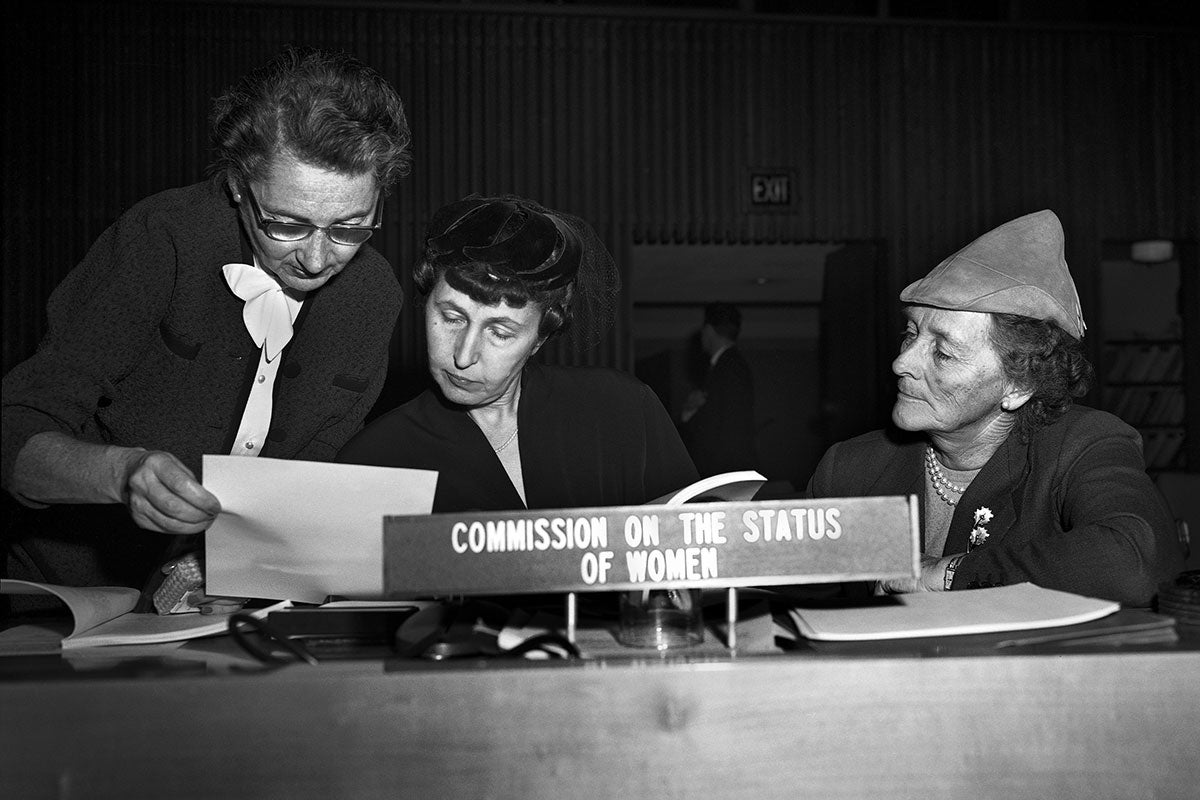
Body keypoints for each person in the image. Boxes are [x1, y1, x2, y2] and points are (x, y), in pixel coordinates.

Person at [1, 46, 412, 591]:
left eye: (350, 227)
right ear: (239, 185)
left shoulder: (373, 294)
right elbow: (15, 429)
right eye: (287, 225)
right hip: (62, 594)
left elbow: (315, 468)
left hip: (226, 598)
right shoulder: (162, 239)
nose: (317, 260)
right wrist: (121, 474)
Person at [803, 209, 1182, 606]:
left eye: (943, 352)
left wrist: (945, 574)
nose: (902, 363)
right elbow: (774, 579)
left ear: (1019, 384)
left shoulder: (1083, 445)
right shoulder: (849, 466)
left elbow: (1136, 563)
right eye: (910, 334)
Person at [337, 194, 698, 513]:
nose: (463, 355)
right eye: (451, 317)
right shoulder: (373, 461)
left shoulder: (624, 410)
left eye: (500, 331)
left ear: (540, 337)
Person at [679, 302, 757, 476]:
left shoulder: (727, 368)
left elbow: (720, 430)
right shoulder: (731, 366)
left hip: (722, 473)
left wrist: (689, 413)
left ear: (708, 330)